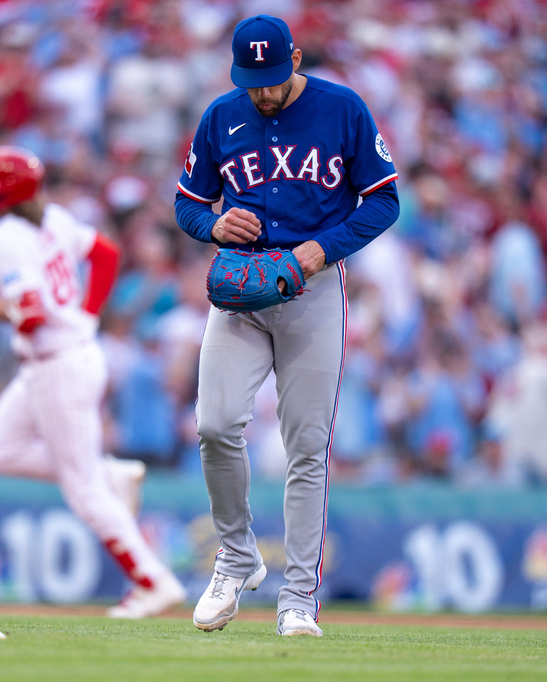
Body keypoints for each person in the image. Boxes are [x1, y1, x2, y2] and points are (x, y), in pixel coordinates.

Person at [174, 15, 400, 636]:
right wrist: (211, 227)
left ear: (295, 57)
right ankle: (236, 553)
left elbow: (384, 198)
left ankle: (298, 596)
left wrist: (323, 248)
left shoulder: (342, 108)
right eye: (253, 81)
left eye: (273, 78)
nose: (264, 92)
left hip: (313, 288)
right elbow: (188, 203)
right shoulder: (223, 115)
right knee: (216, 425)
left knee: (307, 449)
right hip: (242, 287)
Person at [0, 145, 185, 618]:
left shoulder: (7, 239)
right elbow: (105, 253)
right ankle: (108, 473)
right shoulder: (52, 218)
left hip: (57, 362)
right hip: (61, 357)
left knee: (83, 492)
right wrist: (87, 314)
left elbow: (30, 317)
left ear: (7, 191)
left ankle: (153, 580)